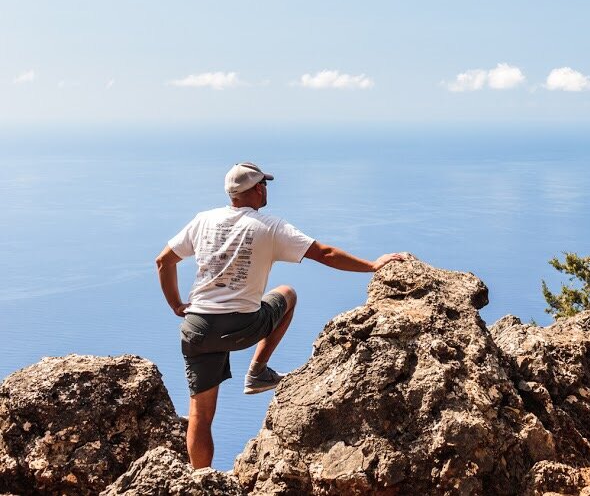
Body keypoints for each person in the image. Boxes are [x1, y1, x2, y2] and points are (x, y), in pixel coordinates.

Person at [155, 161, 406, 470]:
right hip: (243, 325)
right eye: (264, 185)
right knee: (287, 293)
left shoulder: (203, 221)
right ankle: (257, 372)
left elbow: (164, 261)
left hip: (198, 327)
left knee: (200, 416)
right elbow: (324, 253)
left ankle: (201, 481)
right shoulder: (270, 226)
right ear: (258, 189)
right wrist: (372, 265)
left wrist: (177, 305)